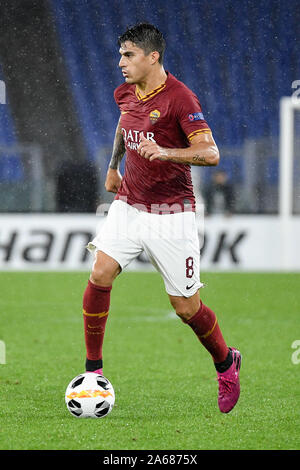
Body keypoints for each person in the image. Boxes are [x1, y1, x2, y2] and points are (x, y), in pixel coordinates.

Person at [82, 23, 241, 414]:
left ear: (153, 57)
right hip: (129, 203)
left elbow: (211, 153)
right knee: (100, 273)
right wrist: (114, 165)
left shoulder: (181, 99)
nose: (121, 62)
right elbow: (125, 121)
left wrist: (168, 152)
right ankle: (92, 373)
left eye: (129, 55)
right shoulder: (126, 92)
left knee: (186, 307)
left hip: (172, 214)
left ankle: (226, 362)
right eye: (120, 54)